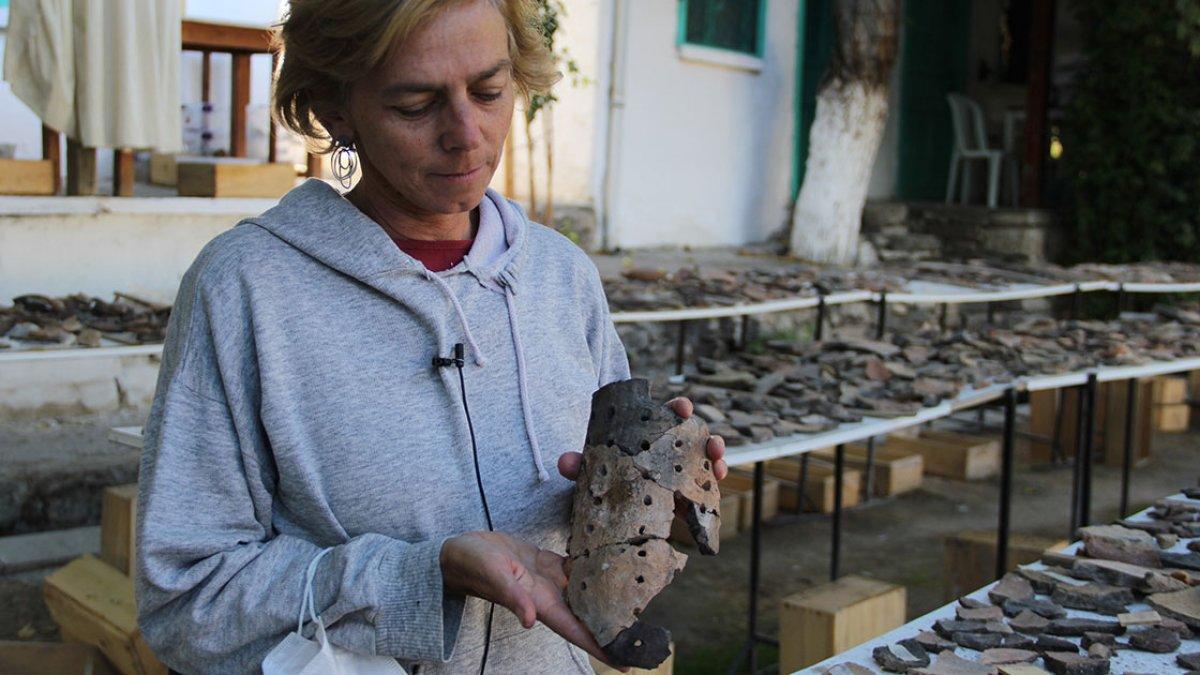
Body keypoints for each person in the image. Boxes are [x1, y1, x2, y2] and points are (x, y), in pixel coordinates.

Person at [134, 1, 728, 673]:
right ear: (335, 109)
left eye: (490, 89)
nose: (468, 134)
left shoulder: (562, 277)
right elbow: (186, 603)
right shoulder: (247, 290)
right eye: (416, 104)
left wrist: (656, 500)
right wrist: (421, 575)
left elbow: (607, 543)